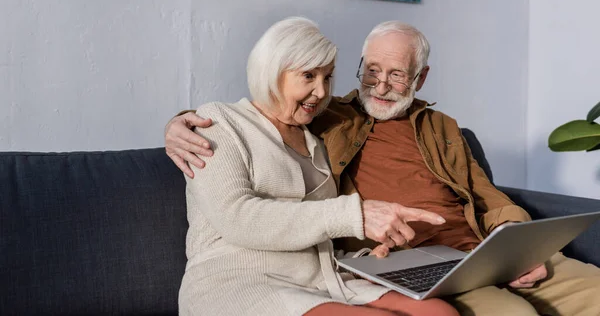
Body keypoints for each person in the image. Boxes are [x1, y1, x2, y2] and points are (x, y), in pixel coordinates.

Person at [168, 20, 600, 316]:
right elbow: (263, 111)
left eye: (397, 75)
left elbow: (488, 196)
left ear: (421, 78)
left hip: (485, 250)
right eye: (371, 71)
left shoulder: (443, 127)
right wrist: (180, 123)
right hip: (413, 260)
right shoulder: (331, 116)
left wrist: (522, 247)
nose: (380, 85)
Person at [177, 17, 459, 316]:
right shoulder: (219, 122)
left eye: (327, 77)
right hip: (239, 280)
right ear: (272, 71)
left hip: (320, 278)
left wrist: (365, 256)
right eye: (309, 75)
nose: (322, 91)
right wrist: (357, 215)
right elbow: (237, 218)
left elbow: (313, 232)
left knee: (439, 311)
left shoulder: (314, 138)